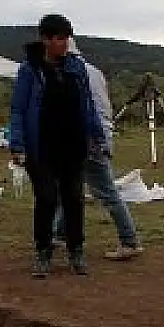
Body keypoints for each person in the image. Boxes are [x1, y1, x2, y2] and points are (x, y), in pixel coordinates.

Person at [10, 14, 108, 277]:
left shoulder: (76, 68)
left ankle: (76, 251)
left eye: (67, 38)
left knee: (74, 199)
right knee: (46, 198)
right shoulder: (30, 69)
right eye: (59, 38)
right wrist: (17, 145)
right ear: (45, 39)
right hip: (41, 146)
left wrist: (98, 137)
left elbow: (88, 105)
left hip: (73, 145)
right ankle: (43, 252)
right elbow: (18, 109)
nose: (64, 43)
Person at [50, 37, 143, 261]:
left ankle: (129, 240)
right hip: (94, 138)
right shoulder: (94, 72)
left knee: (107, 193)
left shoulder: (73, 73)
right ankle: (59, 233)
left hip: (87, 141)